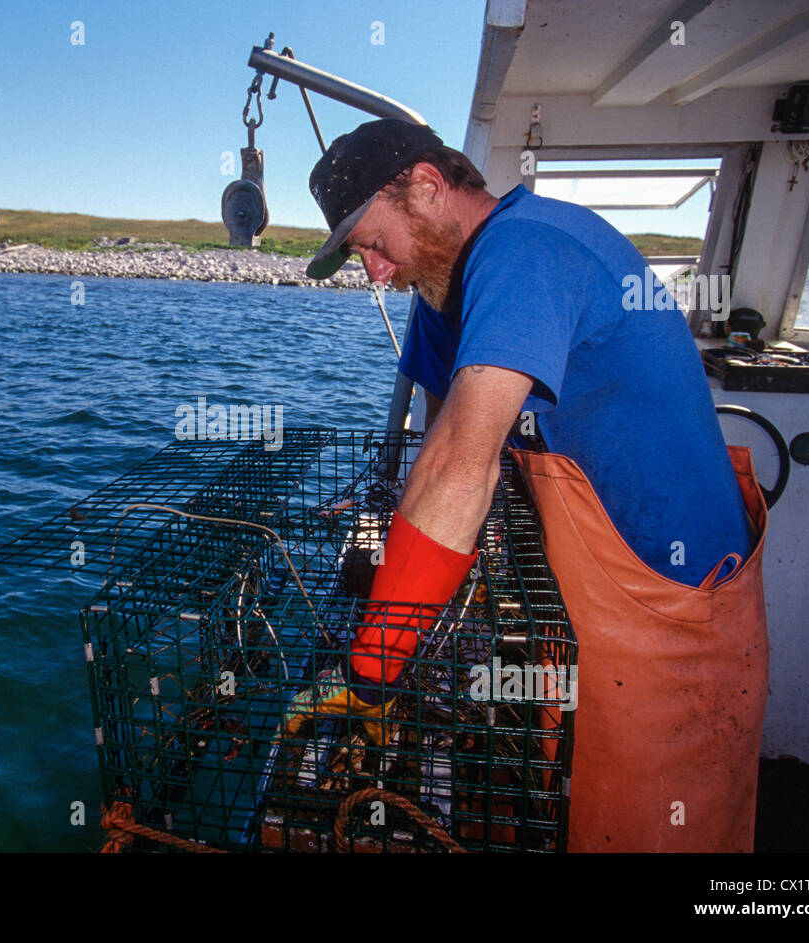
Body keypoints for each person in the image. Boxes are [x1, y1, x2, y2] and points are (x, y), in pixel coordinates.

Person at [288, 118, 770, 852]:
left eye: (372, 242)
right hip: (581, 593)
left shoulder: (527, 248)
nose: (374, 273)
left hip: (676, 605)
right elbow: (437, 440)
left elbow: (463, 464)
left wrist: (373, 669)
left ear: (425, 187)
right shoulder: (440, 295)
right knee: (563, 808)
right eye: (359, 256)